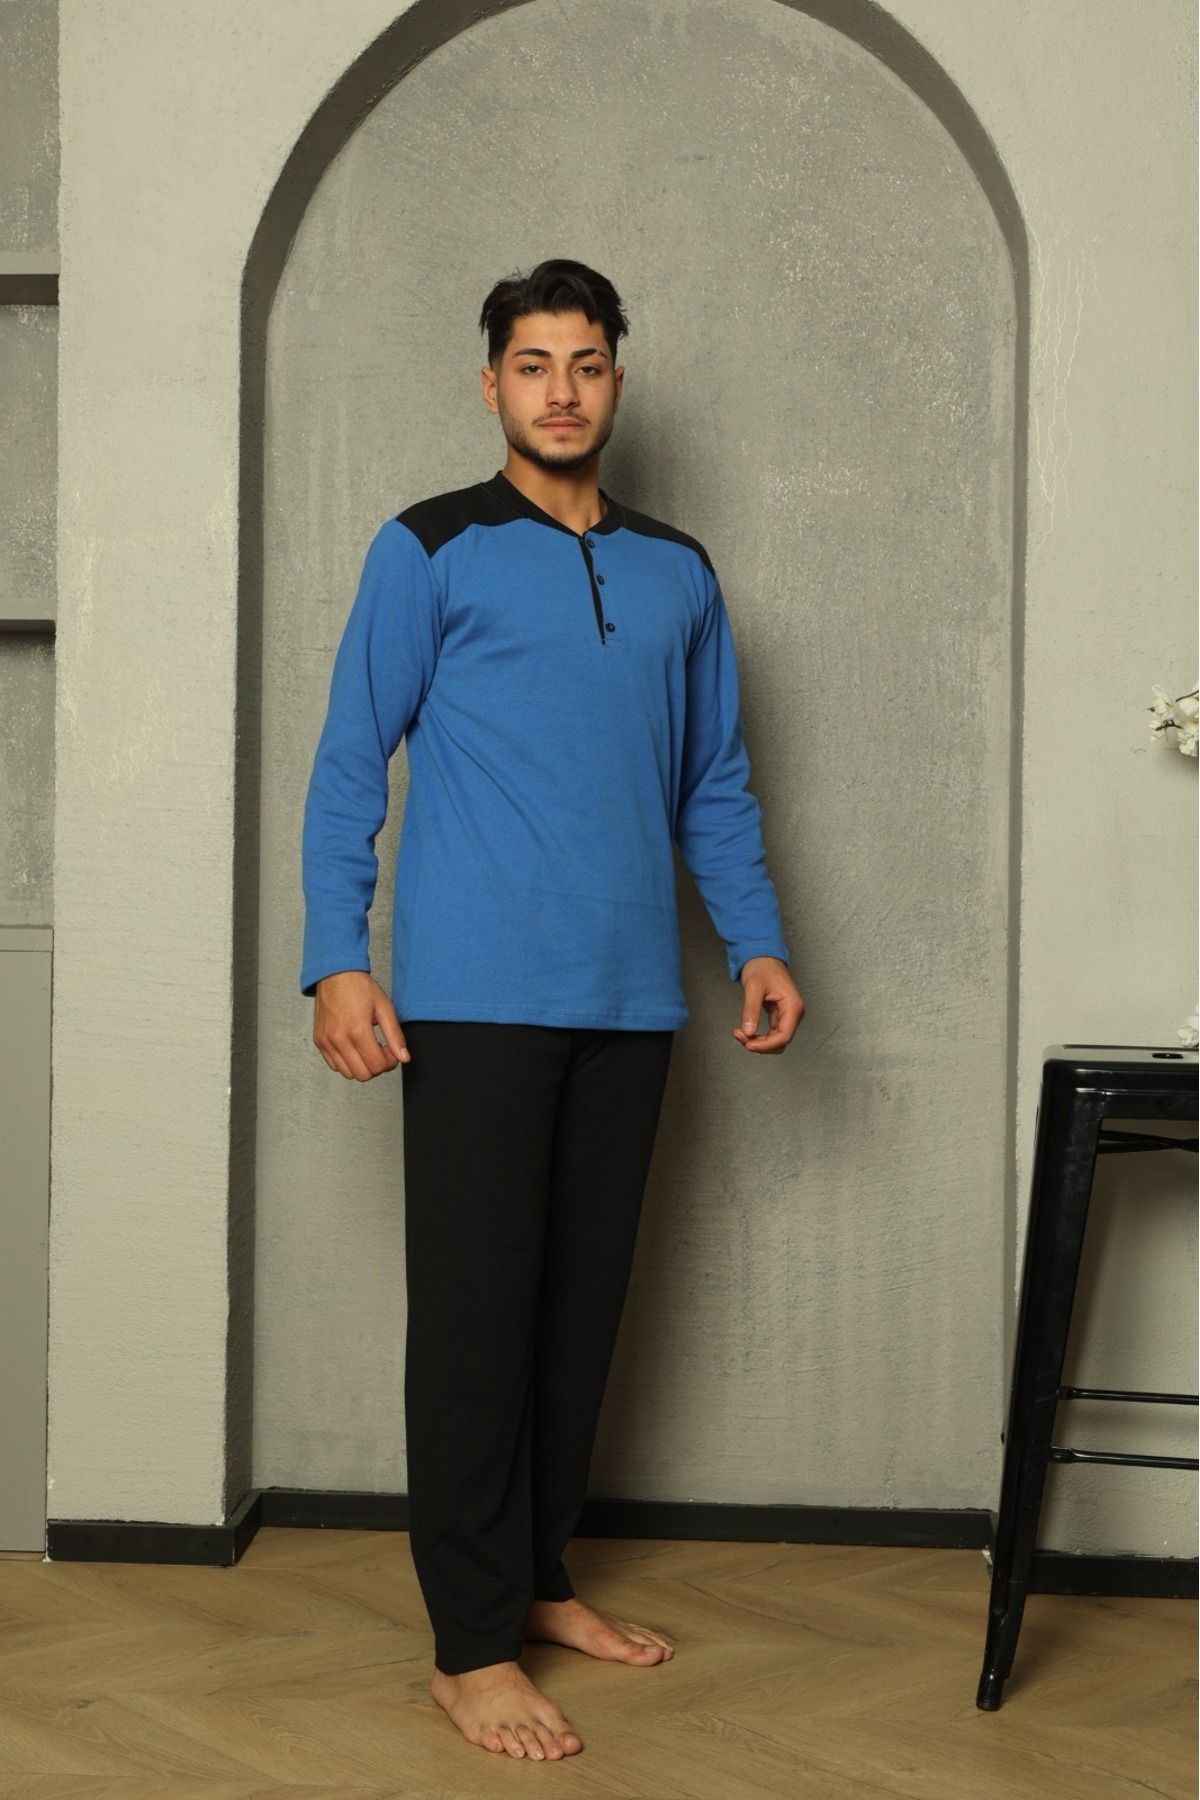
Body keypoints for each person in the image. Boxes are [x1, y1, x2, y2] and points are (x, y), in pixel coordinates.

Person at [299, 258, 805, 1760]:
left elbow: (713, 779)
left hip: (633, 1000)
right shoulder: (429, 547)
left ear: (616, 383)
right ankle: (469, 1649)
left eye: (586, 364)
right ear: (492, 385)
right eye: (533, 365)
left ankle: (532, 1580)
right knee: (475, 1323)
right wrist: (336, 957)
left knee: (579, 1317)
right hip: (471, 999)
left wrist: (757, 942)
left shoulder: (680, 572)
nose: (561, 391)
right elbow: (350, 760)